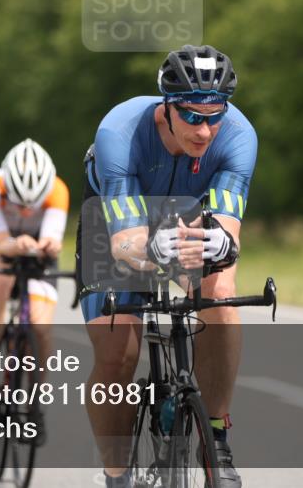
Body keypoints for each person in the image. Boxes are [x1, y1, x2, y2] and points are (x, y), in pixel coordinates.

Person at [76, 45, 255, 488]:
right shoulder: (119, 131)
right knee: (118, 353)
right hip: (115, 216)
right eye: (192, 116)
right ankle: (117, 473)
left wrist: (221, 243)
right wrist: (152, 249)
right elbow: (124, 243)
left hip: (186, 212)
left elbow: (228, 225)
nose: (205, 129)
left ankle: (216, 439)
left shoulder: (239, 136)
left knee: (220, 295)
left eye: (215, 115)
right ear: (166, 108)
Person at [0, 138, 69, 444]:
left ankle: (35, 407)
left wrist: (48, 244)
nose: (24, 211)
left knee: (40, 325)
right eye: (18, 203)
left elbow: (52, 239)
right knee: (2, 268)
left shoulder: (58, 190)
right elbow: (0, 241)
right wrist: (15, 244)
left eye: (31, 205)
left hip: (36, 248)